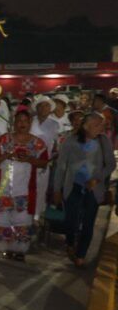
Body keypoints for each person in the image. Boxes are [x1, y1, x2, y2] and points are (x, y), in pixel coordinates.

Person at [0, 107, 51, 261]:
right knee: (3, 219)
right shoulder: (3, 140)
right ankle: (6, 248)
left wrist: (29, 159)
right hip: (4, 188)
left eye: (25, 121)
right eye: (19, 121)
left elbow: (44, 163)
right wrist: (6, 155)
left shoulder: (38, 143)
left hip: (25, 190)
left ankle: (19, 250)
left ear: (30, 123)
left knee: (22, 221)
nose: (22, 124)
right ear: (14, 122)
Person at [54, 112, 116, 267]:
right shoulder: (70, 141)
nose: (101, 127)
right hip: (73, 186)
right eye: (97, 124)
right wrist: (56, 189)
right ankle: (70, 243)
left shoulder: (104, 141)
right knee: (71, 221)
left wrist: (97, 178)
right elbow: (61, 167)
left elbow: (110, 164)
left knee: (88, 223)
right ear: (85, 126)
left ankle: (81, 255)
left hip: (93, 189)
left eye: (101, 124)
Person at [31, 95, 61, 218]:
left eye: (47, 106)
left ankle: (37, 215)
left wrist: (52, 157)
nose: (44, 108)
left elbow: (57, 145)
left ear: (50, 109)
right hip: (28, 161)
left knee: (41, 189)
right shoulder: (30, 121)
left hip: (44, 162)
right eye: (41, 106)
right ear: (37, 108)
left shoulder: (55, 124)